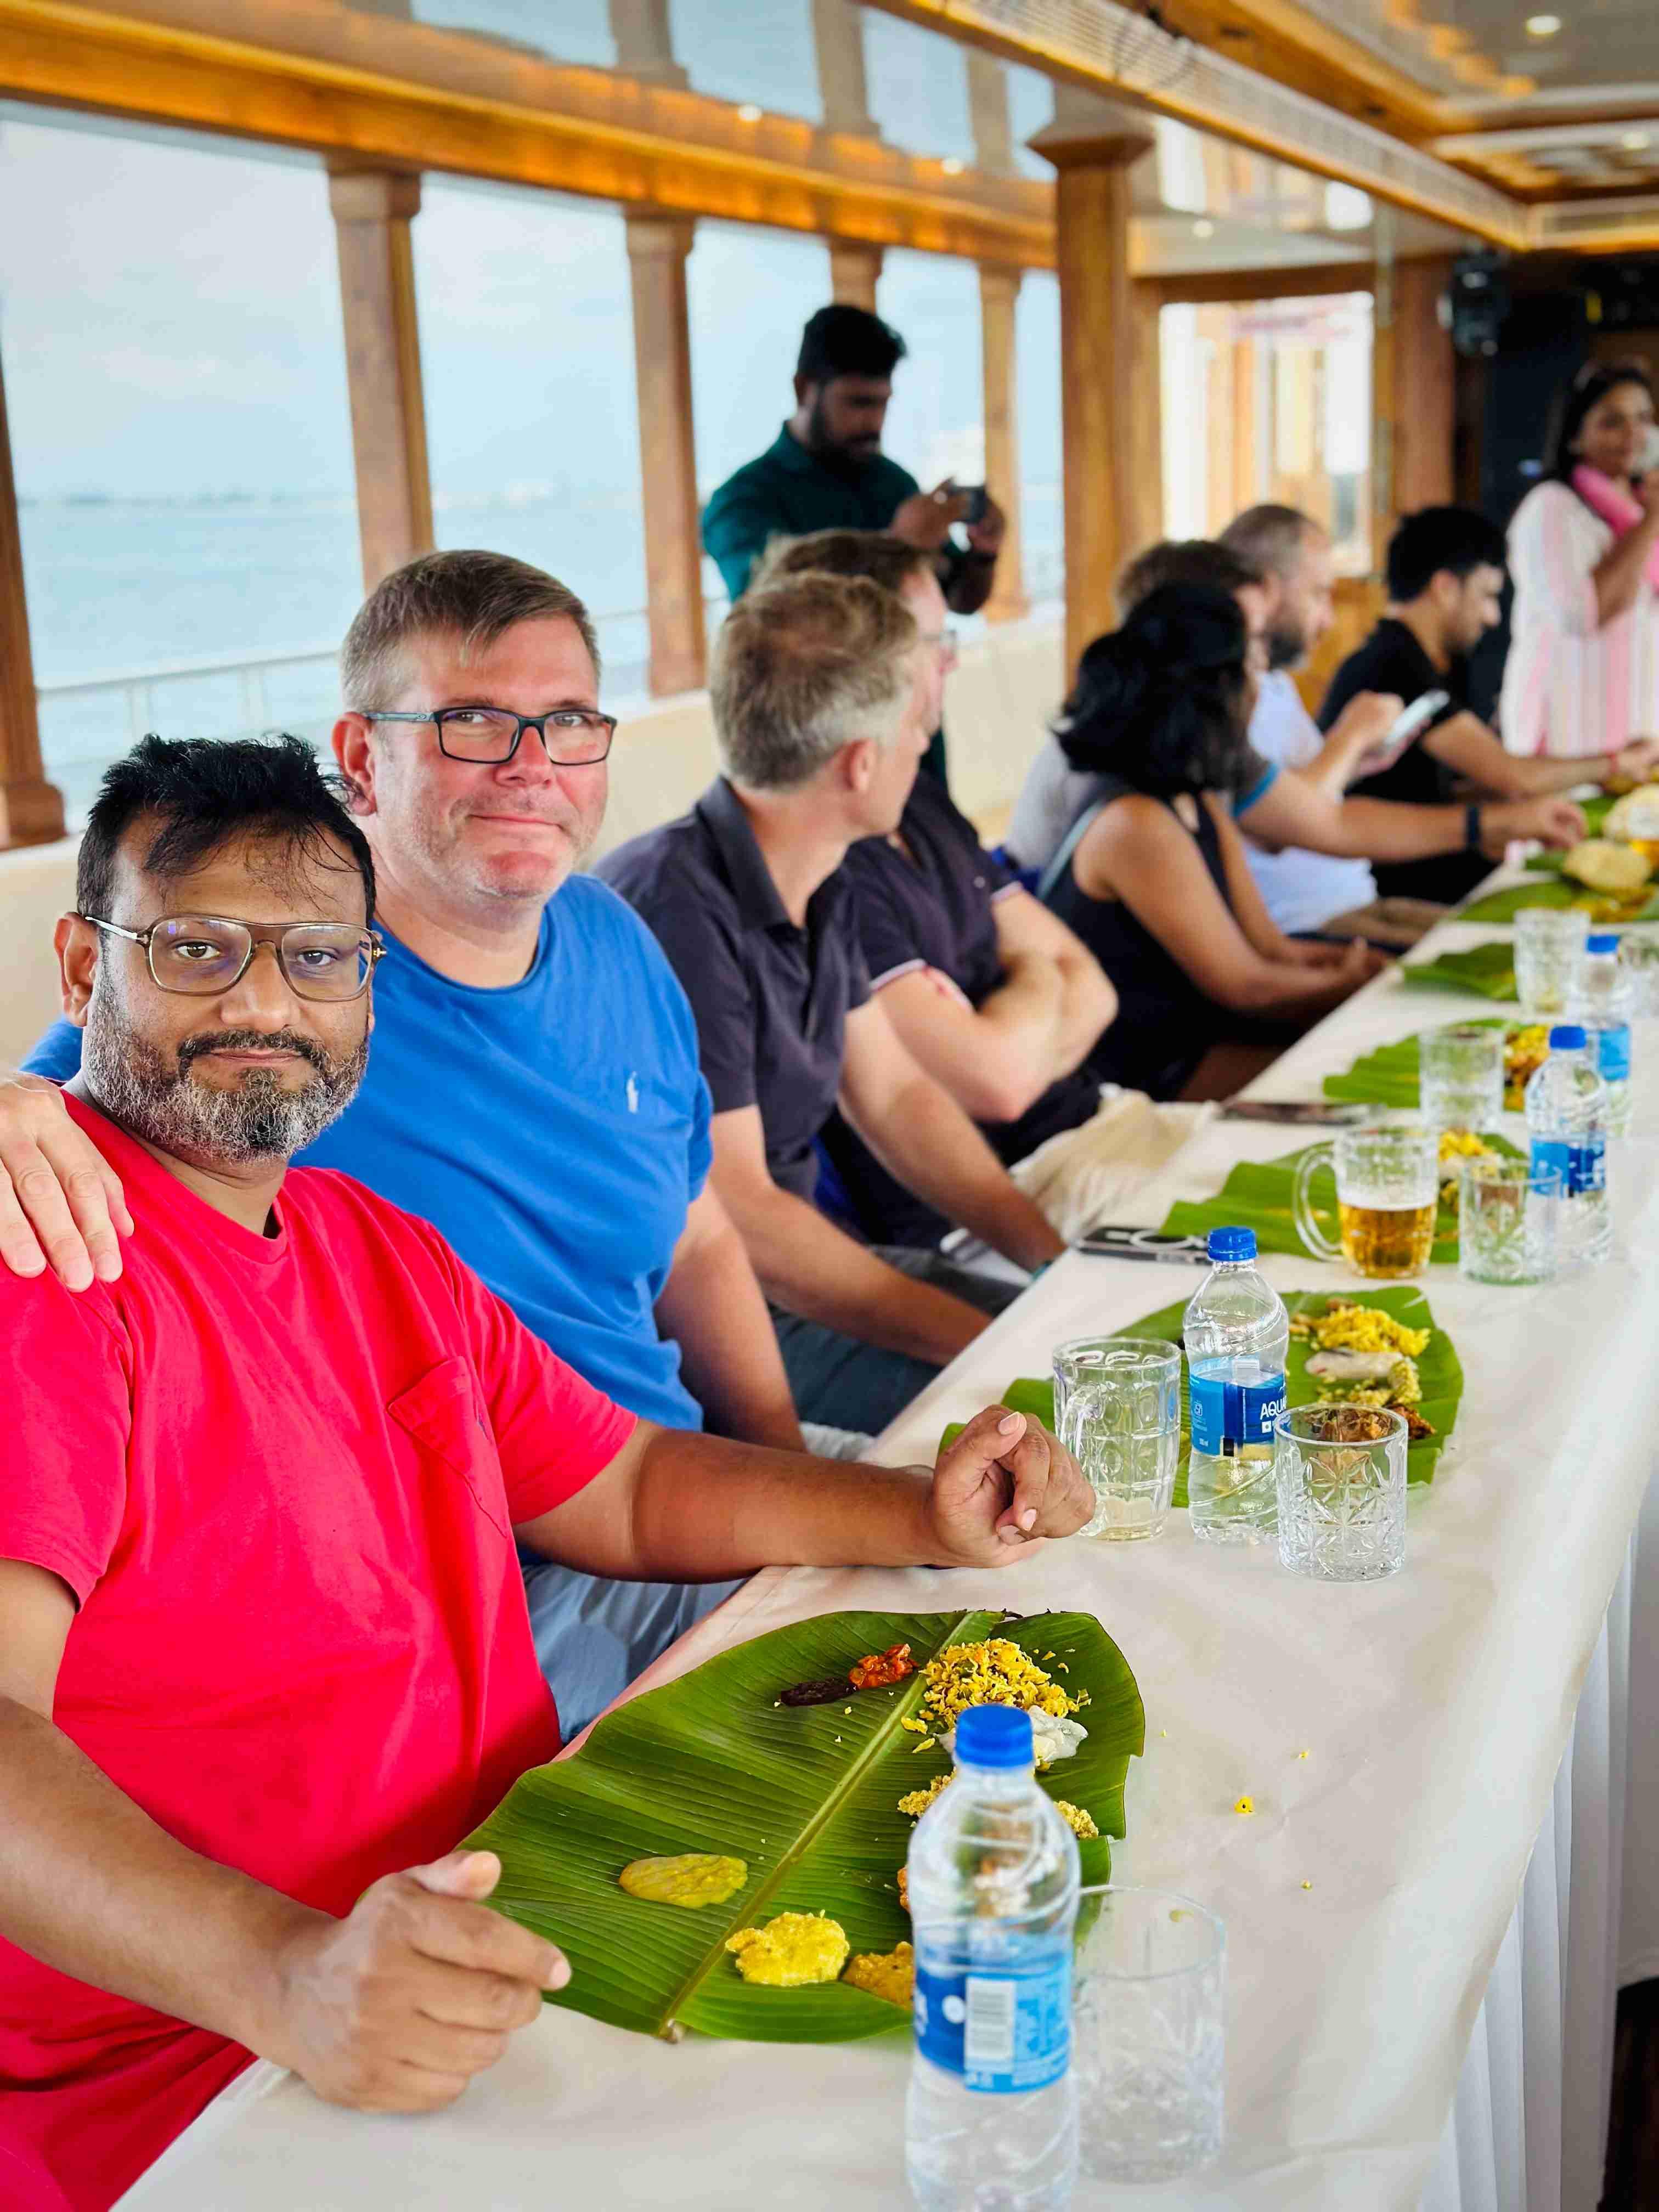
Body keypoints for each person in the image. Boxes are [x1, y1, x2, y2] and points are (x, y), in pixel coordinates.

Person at [0, 731, 1089, 2212]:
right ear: (83, 969)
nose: (265, 1001)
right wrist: (283, 1976)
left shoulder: (368, 1245)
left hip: (516, 1927)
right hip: (217, 2080)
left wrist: (919, 1512)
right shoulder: (54, 1272)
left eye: (320, 956)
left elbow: (627, 1486)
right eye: (196, 949)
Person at [6, 551, 836, 1739]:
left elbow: (697, 1236)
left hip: (674, 1485)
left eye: (565, 725)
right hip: (493, 1573)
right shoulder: (273, 1019)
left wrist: (784, 1473)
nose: (531, 769)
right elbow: (79, 1092)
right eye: (475, 725)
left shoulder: (612, 939)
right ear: (361, 759)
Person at [597, 571, 1065, 1437]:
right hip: (707, 1320)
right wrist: (994, 1346)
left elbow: (894, 1095)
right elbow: (743, 1218)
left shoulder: (823, 873)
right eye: (916, 733)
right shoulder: (675, 910)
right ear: (861, 762)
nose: (922, 750)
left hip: (801, 1274)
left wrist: (1050, 1262)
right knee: (1048, 1412)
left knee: (1080, 1341)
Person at [750, 527, 1139, 1250]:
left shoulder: (918, 800)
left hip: (1096, 1127)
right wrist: (1036, 989)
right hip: (1008, 1198)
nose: (950, 663)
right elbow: (995, 1085)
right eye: (933, 641)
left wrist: (1022, 1010)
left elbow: (1094, 989)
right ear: (865, 665)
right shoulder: (830, 860)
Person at [1005, 535, 1588, 916]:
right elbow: (1311, 832)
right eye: (1248, 638)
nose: (1258, 660)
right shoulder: (1130, 757)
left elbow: (1315, 821)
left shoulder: (1191, 729)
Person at [1039, 584, 1389, 1101]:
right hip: (1144, 1072)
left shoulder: (1197, 801)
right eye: (1252, 670)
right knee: (1364, 1086)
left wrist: (1355, 965)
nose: (1258, 690)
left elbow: (1269, 948)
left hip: (1205, 1036)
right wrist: (1353, 985)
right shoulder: (1136, 823)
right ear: (1211, 692)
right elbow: (1244, 986)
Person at [701, 304, 1007, 789]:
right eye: (858, 403)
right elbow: (774, 613)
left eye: (883, 403)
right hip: (815, 764)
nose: (874, 422)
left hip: (914, 755)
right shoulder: (744, 503)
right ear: (805, 389)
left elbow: (961, 599)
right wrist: (898, 545)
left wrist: (984, 552)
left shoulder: (892, 483)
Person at [1321, 504, 1659, 905]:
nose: (1493, 617)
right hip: (1391, 889)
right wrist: (1618, 764)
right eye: (1487, 596)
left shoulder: (1406, 659)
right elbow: (1513, 776)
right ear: (1445, 588)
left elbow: (1434, 792)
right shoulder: (1395, 667)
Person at [1502, 358, 1659, 759]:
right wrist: (1652, 520)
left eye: (1643, 418)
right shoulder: (1550, 509)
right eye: (1612, 422)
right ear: (1574, 437)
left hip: (1636, 741)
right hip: (1566, 742)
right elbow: (1584, 614)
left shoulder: (1641, 510)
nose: (1633, 434)